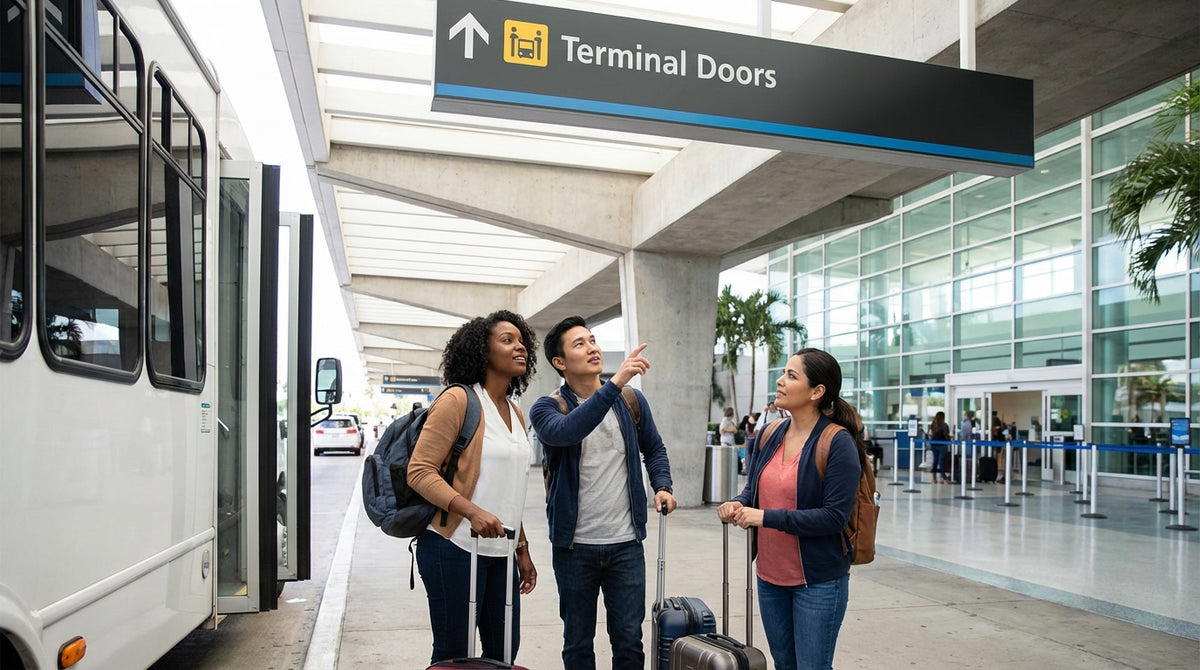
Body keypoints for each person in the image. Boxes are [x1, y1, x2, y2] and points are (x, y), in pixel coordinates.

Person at [529, 315, 677, 670]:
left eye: (592, 340)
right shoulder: (546, 408)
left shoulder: (630, 400)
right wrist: (614, 385)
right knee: (578, 643)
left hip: (626, 545)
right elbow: (568, 432)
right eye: (579, 344)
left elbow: (654, 449)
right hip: (574, 547)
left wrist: (662, 486)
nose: (592, 347)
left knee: (629, 641)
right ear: (560, 363)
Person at [717, 347, 864, 670]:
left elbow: (834, 517)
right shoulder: (770, 433)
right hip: (770, 577)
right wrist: (738, 504)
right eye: (783, 373)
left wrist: (764, 517)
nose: (780, 381)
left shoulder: (837, 442)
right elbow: (753, 492)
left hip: (818, 582)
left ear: (817, 392)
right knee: (784, 664)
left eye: (791, 375)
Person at [407, 310, 539, 665]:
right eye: (507, 340)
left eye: (522, 342)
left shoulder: (515, 413)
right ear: (482, 351)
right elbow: (419, 472)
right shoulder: (459, 401)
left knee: (504, 654)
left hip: (501, 553)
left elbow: (509, 488)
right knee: (455, 657)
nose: (520, 348)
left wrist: (522, 548)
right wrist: (471, 511)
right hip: (454, 548)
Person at [927, 411, 952, 484]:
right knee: (942, 462)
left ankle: (934, 478)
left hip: (934, 445)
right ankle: (944, 478)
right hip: (942, 445)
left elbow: (931, 435)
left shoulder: (933, 425)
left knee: (935, 461)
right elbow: (946, 435)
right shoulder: (944, 425)